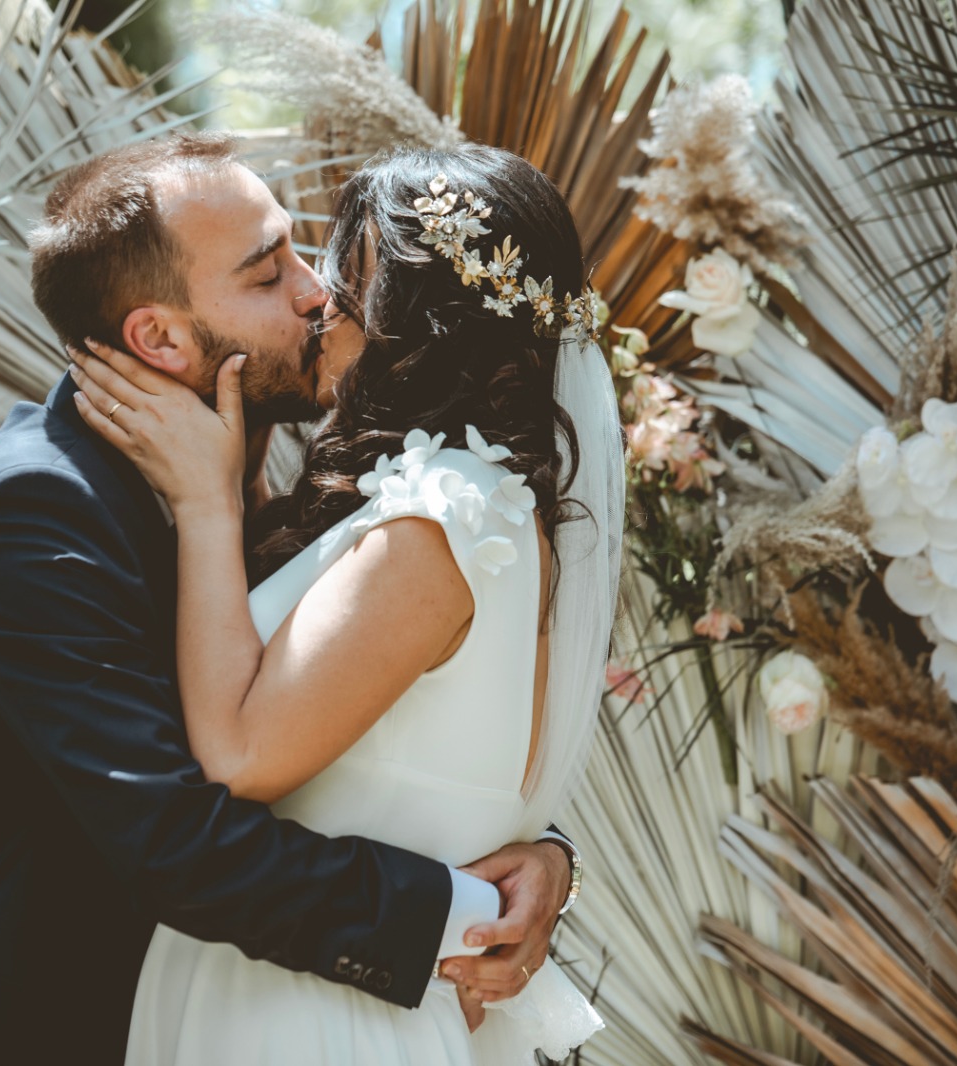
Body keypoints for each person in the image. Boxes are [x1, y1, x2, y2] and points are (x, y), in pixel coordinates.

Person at [0, 134, 585, 1065]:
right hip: (24, 1032)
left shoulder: (253, 463)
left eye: (297, 250)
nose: (317, 292)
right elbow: (182, 842)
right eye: (267, 273)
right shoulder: (33, 511)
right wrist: (467, 912)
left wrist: (545, 860)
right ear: (159, 337)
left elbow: (384, 713)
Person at [70, 142, 624, 1063]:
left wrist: (205, 507)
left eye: (340, 273)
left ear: (413, 315)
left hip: (309, 1018)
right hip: (303, 989)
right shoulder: (467, 501)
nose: (318, 300)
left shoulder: (438, 517)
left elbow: (243, 756)